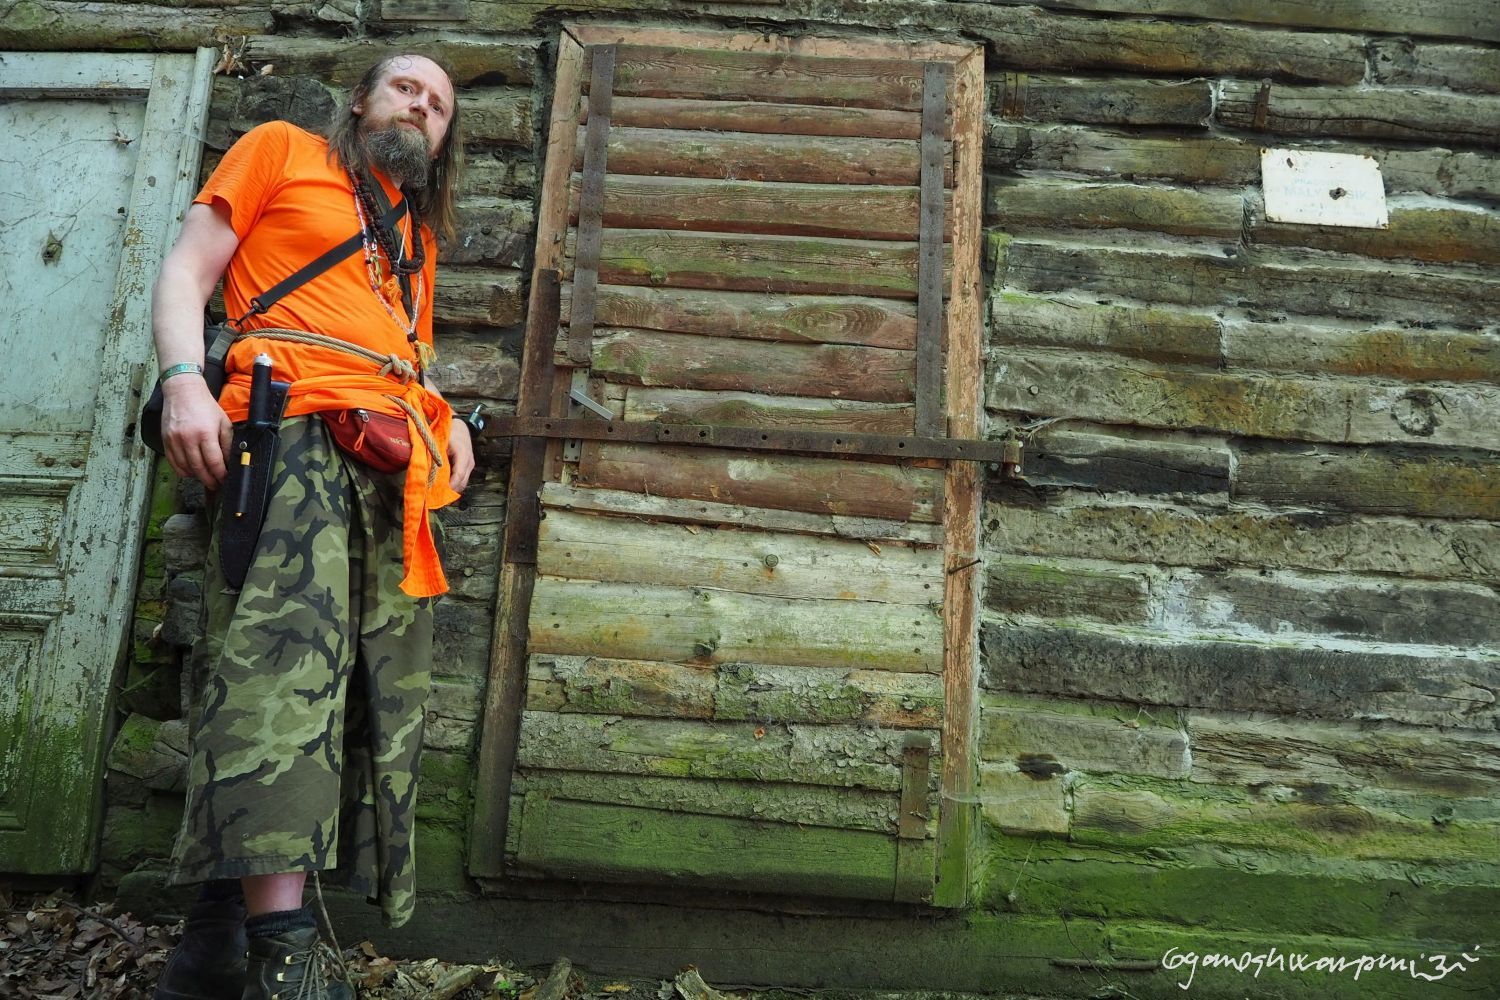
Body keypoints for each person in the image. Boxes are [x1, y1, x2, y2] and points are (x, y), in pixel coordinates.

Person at [149, 54, 471, 1000]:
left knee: (359, 701)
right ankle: (286, 956)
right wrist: (181, 385)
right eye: (408, 87)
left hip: (388, 476)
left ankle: (213, 945)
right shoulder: (280, 150)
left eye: (441, 104)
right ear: (363, 101)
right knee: (279, 683)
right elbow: (185, 270)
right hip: (284, 441)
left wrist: (445, 420)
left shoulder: (413, 234)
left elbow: (406, 358)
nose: (422, 104)